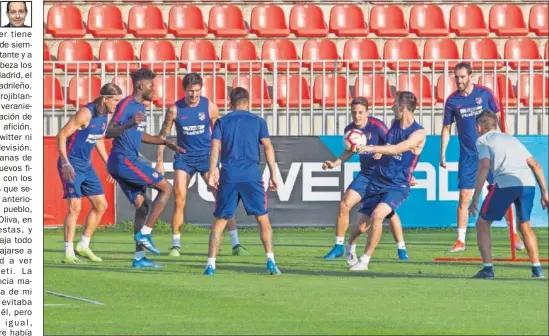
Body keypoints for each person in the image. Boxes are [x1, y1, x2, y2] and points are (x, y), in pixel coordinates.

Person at [156, 73, 248, 257]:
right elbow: (163, 136)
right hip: (184, 158)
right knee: (179, 198)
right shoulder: (175, 110)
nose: (194, 95)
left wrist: (224, 157)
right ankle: (175, 245)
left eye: (197, 91)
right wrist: (159, 161)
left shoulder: (210, 107)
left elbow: (220, 134)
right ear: (184, 90)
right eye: (191, 91)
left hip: (206, 158)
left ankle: (236, 243)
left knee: (223, 197)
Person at [440, 62, 524, 253]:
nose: (459, 81)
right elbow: (447, 128)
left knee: (503, 193)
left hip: (490, 153)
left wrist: (507, 141)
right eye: (456, 77)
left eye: (462, 77)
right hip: (468, 155)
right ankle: (460, 240)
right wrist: (442, 153)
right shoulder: (452, 101)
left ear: (471, 76)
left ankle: (515, 235)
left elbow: (500, 117)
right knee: (464, 197)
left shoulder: (485, 94)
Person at [105, 68, 182, 269]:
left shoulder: (141, 107)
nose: (154, 89)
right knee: (166, 188)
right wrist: (130, 122)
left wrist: (163, 142)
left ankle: (139, 258)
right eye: (151, 86)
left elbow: (141, 134)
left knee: (143, 205)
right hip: (124, 160)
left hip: (121, 162)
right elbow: (109, 132)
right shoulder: (127, 105)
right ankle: (146, 233)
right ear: (141, 86)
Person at [203, 87, 280, 276]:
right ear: (249, 102)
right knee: (263, 219)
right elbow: (268, 148)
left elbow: (215, 148)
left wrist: (212, 172)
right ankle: (270, 260)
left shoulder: (221, 122)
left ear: (230, 103)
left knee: (220, 220)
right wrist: (273, 173)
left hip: (229, 175)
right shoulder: (258, 122)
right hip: (252, 175)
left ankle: (211, 264)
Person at [321, 97, 409, 263]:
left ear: (367, 112)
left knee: (389, 213)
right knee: (344, 204)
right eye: (354, 112)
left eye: (360, 112)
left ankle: (401, 247)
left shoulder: (377, 126)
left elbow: (394, 146)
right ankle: (339, 246)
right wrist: (335, 163)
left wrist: (383, 153)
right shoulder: (350, 130)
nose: (357, 116)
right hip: (366, 175)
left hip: (384, 176)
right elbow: (349, 151)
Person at [347, 91, 426, 271]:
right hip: (378, 179)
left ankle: (364, 261)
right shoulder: (394, 123)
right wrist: (381, 151)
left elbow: (399, 147)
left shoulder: (419, 133)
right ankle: (350, 245)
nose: (391, 107)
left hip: (398, 185)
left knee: (378, 216)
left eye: (394, 104)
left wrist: (370, 147)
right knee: (361, 226)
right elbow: (392, 147)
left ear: (403, 107)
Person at [468, 111, 547, 279]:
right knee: (525, 226)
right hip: (528, 184)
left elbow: (484, 166)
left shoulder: (483, 140)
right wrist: (545, 193)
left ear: (479, 127)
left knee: (482, 223)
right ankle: (537, 269)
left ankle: (488, 269)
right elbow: (536, 165)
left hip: (506, 184)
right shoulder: (512, 139)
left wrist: (475, 196)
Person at [56, 84, 122, 264]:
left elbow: (98, 138)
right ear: (105, 99)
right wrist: (65, 163)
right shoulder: (85, 113)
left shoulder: (105, 115)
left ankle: (83, 245)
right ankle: (69, 253)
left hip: (86, 166)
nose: (117, 104)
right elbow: (61, 135)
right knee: (74, 208)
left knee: (101, 205)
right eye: (115, 100)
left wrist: (109, 163)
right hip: (71, 165)